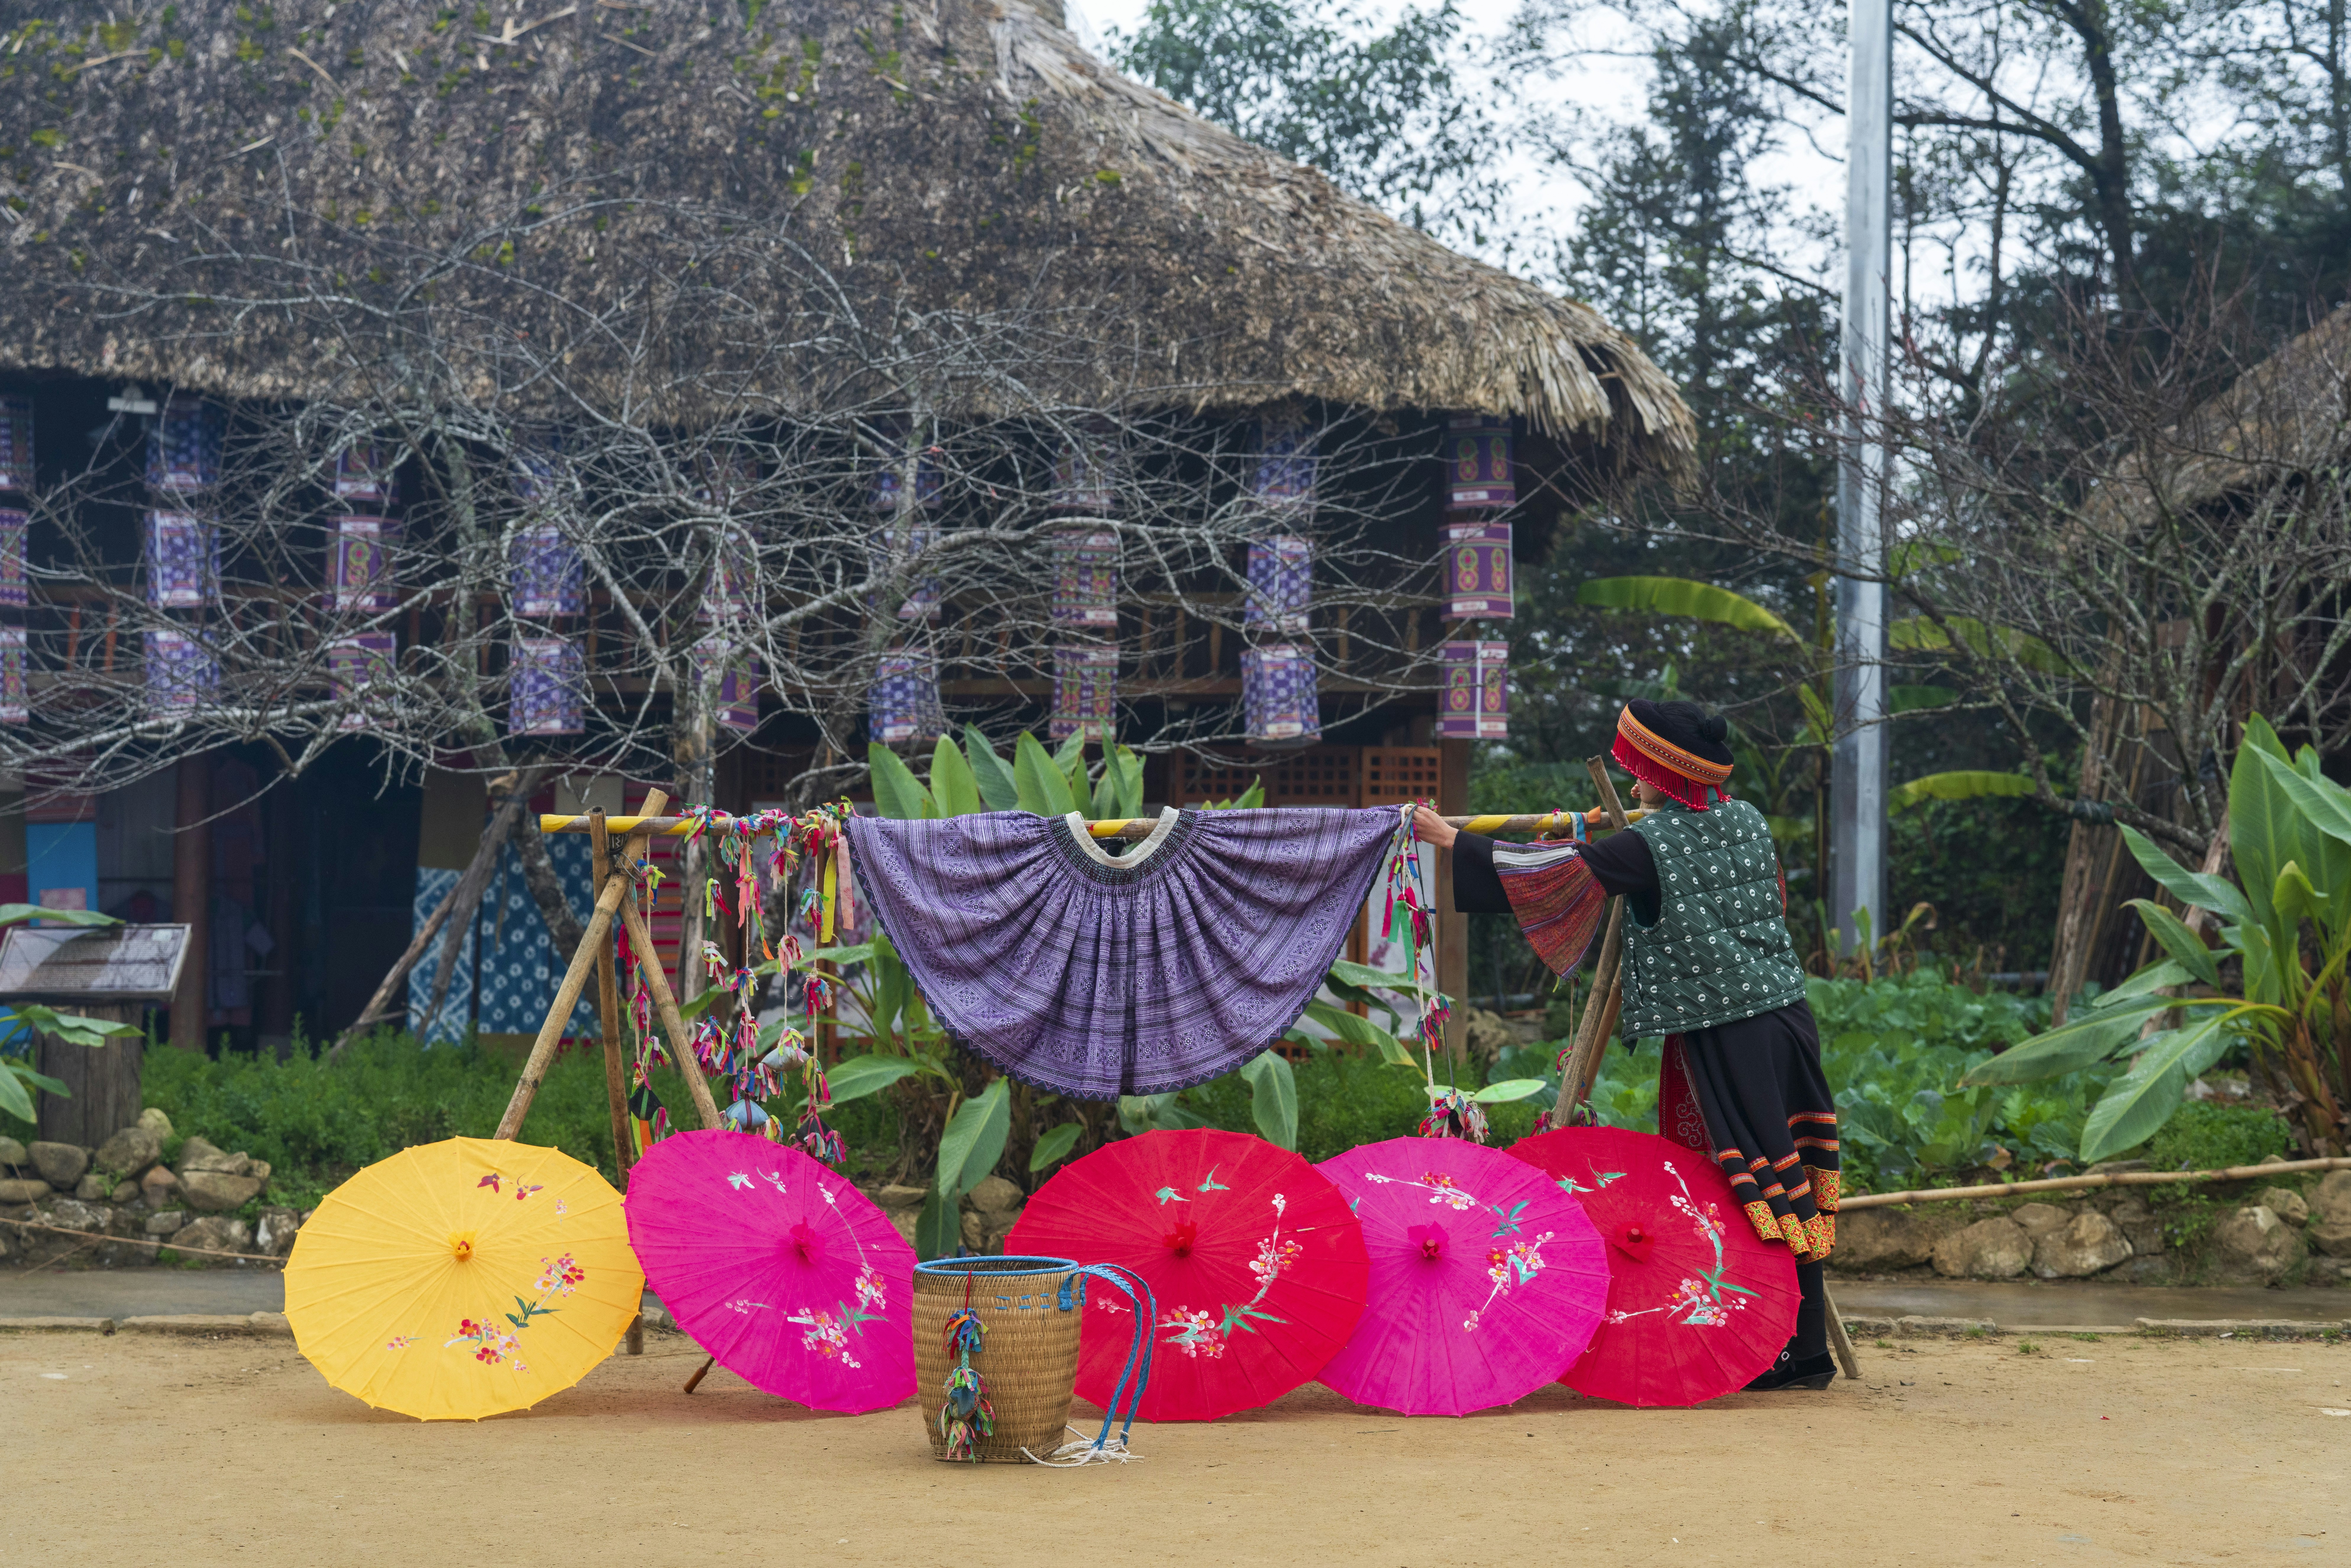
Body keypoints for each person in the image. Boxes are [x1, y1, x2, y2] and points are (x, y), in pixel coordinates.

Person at [1413, 697, 1840, 1391]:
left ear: (1660, 776)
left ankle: (1791, 1350)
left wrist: (1449, 840)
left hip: (1730, 1034)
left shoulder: (1651, 845)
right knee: (1793, 1177)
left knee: (1752, 1183)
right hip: (1787, 1019)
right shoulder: (1748, 819)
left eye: (1635, 769)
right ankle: (1803, 1347)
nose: (1630, 780)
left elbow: (1551, 874)